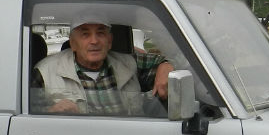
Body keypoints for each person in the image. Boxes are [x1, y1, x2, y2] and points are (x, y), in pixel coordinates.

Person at [31, 12, 173, 115]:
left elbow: (178, 63)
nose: (94, 41)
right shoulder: (44, 72)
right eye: (85, 34)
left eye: (100, 33)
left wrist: (166, 65)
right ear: (73, 43)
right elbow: (28, 121)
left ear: (109, 41)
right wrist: (52, 111)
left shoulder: (129, 63)